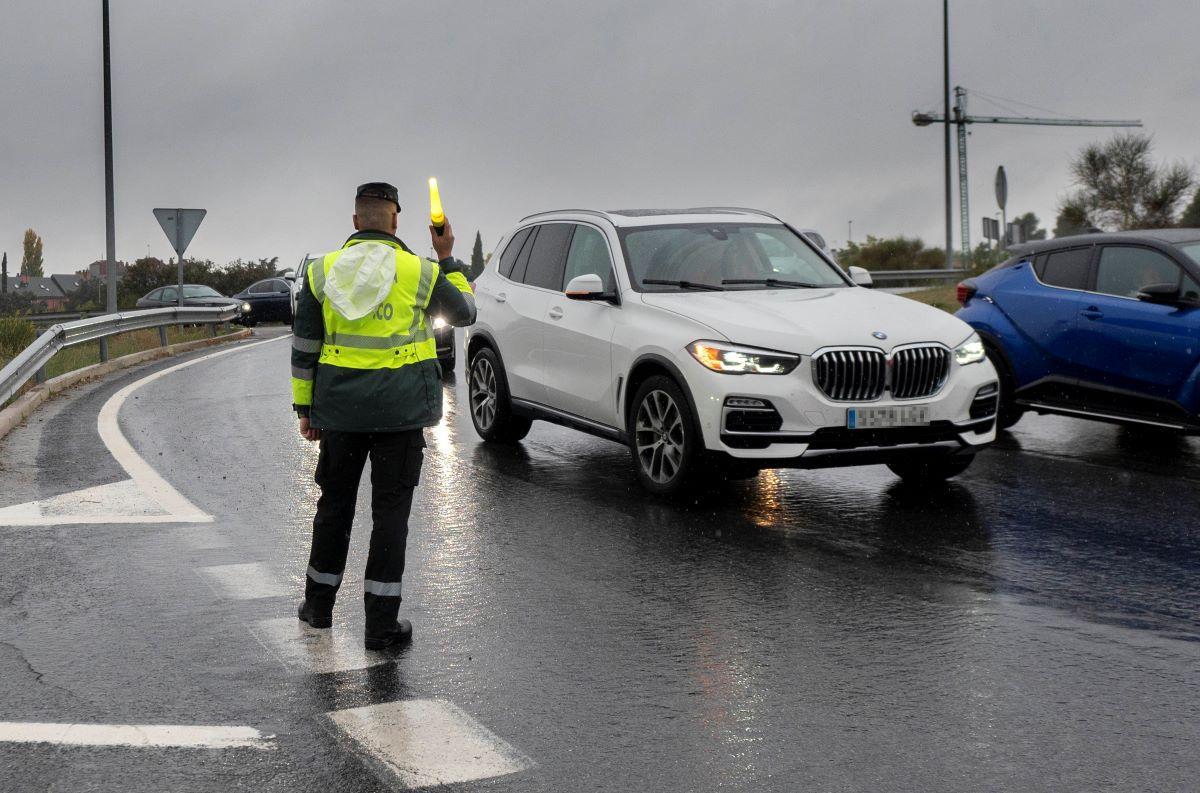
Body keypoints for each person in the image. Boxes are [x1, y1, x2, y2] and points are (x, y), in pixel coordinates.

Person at [290, 181, 475, 650]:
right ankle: (380, 626)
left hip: (339, 413)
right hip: (400, 414)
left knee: (334, 507)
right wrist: (448, 257)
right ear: (396, 220)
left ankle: (317, 608)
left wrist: (305, 409)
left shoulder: (320, 270)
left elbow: (305, 348)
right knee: (390, 516)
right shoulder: (419, 271)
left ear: (355, 221)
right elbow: (465, 312)